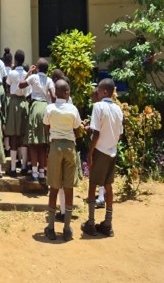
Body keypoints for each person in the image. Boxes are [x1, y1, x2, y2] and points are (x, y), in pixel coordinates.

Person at [81, 78, 123, 238]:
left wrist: (90, 154)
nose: (96, 92)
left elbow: (96, 133)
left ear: (104, 91)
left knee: (92, 185)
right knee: (108, 186)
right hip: (112, 151)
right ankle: (107, 223)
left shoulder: (98, 107)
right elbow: (119, 134)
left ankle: (91, 223)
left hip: (99, 150)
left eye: (98, 89)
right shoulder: (118, 109)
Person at [42, 79, 82, 241]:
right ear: (66, 93)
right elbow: (77, 127)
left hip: (55, 145)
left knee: (54, 186)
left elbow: (46, 125)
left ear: (55, 93)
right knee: (68, 187)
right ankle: (67, 228)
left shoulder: (50, 108)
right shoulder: (72, 109)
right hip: (69, 147)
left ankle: (51, 227)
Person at [19, 59, 56, 182]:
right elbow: (54, 96)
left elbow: (21, 84)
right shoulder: (50, 80)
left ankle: (34, 173)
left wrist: (29, 71)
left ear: (37, 68)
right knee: (43, 143)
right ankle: (41, 172)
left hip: (35, 108)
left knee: (34, 143)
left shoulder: (33, 77)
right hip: (45, 108)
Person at [5, 49, 29, 176]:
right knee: (23, 135)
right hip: (24, 103)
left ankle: (13, 168)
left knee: (13, 136)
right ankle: (24, 166)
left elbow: (8, 85)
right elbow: (28, 92)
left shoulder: (12, 73)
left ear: (15, 60)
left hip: (14, 102)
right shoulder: (27, 74)